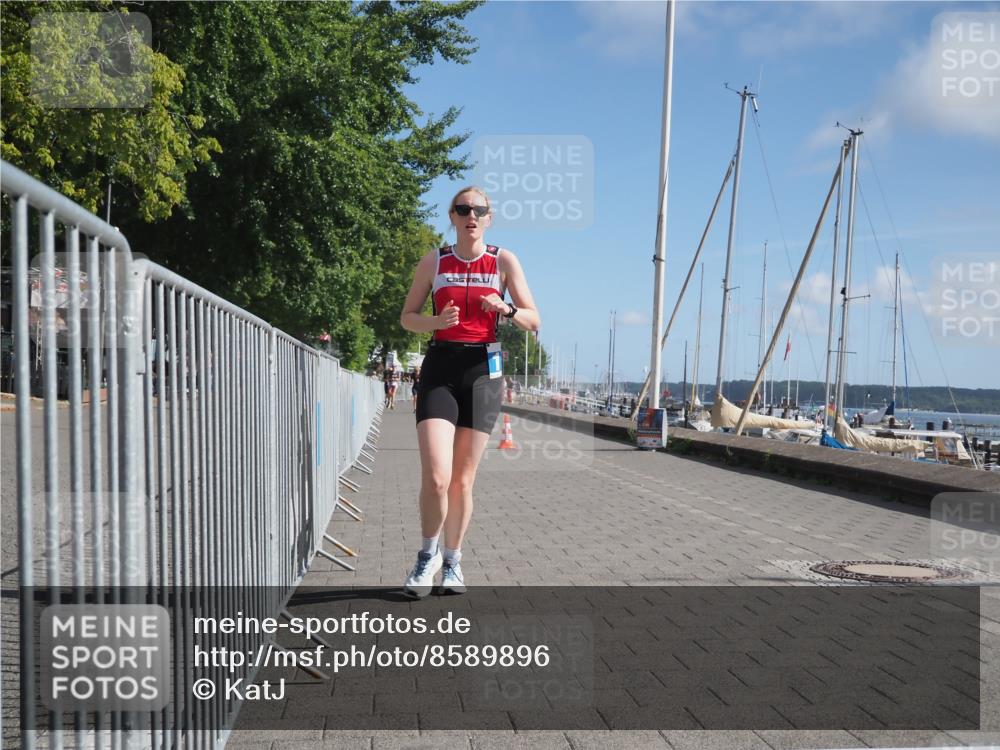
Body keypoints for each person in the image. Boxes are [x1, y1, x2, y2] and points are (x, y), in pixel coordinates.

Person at [399, 186, 540, 597]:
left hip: (483, 372)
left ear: (488, 218)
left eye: (479, 210)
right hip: (441, 367)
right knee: (438, 477)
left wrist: (507, 310)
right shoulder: (434, 261)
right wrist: (437, 322)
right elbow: (408, 318)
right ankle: (427, 557)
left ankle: (454, 562)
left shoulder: (503, 261)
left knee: (462, 481)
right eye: (463, 209)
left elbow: (534, 319)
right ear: (453, 216)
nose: (471, 215)